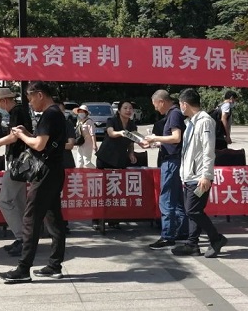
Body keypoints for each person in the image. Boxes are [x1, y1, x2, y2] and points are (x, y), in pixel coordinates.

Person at [0, 81, 67, 283]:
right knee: (54, 219)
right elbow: (44, 141)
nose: (29, 102)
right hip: (55, 171)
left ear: (39, 95)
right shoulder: (57, 113)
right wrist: (27, 134)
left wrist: (21, 135)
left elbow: (39, 145)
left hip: (45, 174)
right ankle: (54, 265)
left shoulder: (49, 114)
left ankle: (23, 269)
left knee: (30, 220)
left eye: (29, 97)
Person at [171, 88, 229, 258]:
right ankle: (192, 244)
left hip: (199, 177)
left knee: (192, 211)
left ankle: (216, 238)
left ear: (185, 104)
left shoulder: (205, 121)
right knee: (192, 212)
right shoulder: (191, 122)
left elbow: (208, 150)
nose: (180, 107)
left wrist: (206, 175)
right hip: (189, 175)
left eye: (180, 104)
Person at [0, 88, 33, 257]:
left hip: (18, 163)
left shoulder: (17, 112)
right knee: (19, 202)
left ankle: (22, 238)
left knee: (4, 200)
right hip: (20, 162)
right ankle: (25, 238)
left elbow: (15, 136)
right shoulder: (18, 111)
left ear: (4, 101)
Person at [144, 90, 188, 249]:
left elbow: (176, 138)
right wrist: (156, 143)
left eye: (155, 105)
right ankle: (183, 231)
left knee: (167, 199)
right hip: (175, 160)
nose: (155, 108)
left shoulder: (174, 114)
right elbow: (171, 140)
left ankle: (167, 236)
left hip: (171, 162)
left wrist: (155, 137)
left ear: (161, 101)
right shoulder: (174, 113)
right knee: (177, 199)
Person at [95, 100, 139, 170]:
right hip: (105, 157)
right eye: (125, 108)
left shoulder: (132, 125)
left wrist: (131, 153)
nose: (128, 110)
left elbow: (131, 142)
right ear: (119, 111)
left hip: (120, 158)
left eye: (130, 108)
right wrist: (120, 133)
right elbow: (111, 133)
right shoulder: (111, 120)